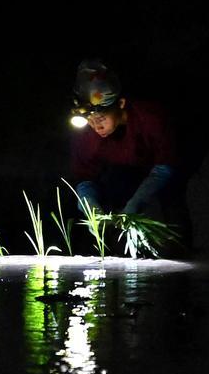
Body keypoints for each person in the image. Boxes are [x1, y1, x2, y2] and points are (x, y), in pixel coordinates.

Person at [68, 59, 194, 255]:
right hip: (125, 165)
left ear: (121, 103)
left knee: (172, 197)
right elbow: (84, 177)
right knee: (113, 190)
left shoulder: (151, 118)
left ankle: (181, 253)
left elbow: (165, 166)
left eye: (101, 117)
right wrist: (89, 205)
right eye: (89, 118)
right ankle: (116, 253)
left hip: (169, 160)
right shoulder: (87, 134)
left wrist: (136, 203)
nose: (96, 125)